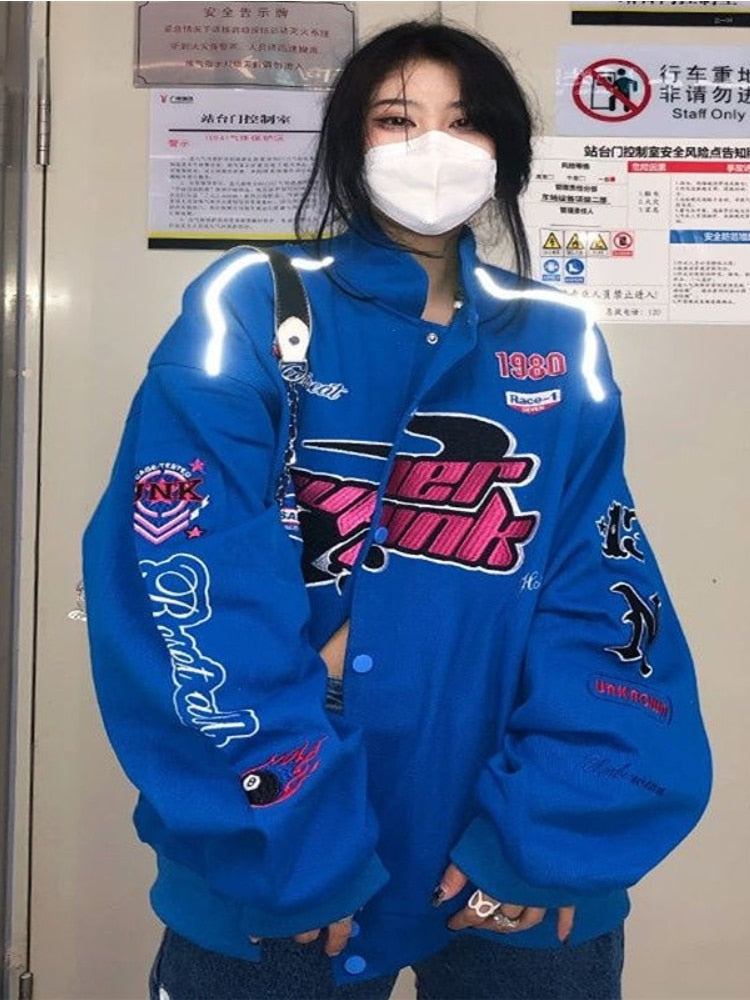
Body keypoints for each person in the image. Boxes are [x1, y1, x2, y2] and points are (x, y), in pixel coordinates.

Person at [83, 20, 711, 1000]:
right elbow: (185, 579)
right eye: (396, 119)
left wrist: (553, 832)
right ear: (351, 140)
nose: (432, 149)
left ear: (503, 148)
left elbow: (598, 586)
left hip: (507, 844)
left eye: (463, 122)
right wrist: (289, 836)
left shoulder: (559, 335)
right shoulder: (256, 304)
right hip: (281, 861)